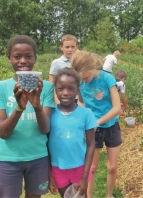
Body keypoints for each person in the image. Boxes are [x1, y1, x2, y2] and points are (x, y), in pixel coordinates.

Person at [0, 35, 55, 197]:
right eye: (17, 57)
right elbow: (3, 133)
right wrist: (19, 107)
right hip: (10, 159)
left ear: (35, 58)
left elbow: (45, 128)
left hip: (38, 157)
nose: (23, 61)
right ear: (9, 59)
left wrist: (37, 106)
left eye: (28, 56)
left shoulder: (45, 87)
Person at [71, 51, 122, 198]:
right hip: (92, 129)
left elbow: (117, 108)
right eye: (81, 79)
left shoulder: (107, 78)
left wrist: (97, 122)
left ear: (93, 67)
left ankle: (109, 195)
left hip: (111, 126)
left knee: (112, 166)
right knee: (91, 168)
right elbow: (80, 101)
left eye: (86, 77)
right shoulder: (80, 82)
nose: (84, 81)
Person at [48, 68, 97, 197]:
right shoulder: (49, 114)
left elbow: (91, 144)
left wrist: (85, 176)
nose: (65, 93)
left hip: (80, 168)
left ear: (77, 89)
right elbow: (45, 144)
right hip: (58, 168)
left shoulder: (86, 114)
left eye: (71, 88)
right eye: (61, 88)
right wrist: (49, 174)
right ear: (55, 89)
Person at [49, 34, 79, 104]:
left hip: (78, 98)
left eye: (73, 47)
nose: (70, 50)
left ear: (76, 47)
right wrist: (57, 102)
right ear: (61, 47)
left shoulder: (80, 62)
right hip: (63, 98)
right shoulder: (56, 62)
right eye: (67, 47)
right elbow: (52, 83)